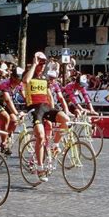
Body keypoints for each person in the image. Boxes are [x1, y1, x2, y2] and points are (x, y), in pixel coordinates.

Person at [22, 52, 70, 182]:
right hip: (34, 108)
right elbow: (26, 81)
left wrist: (55, 112)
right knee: (41, 137)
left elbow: (49, 96)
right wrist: (34, 65)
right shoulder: (29, 74)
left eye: (44, 63)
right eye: (41, 63)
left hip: (46, 107)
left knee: (65, 120)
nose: (43, 66)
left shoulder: (44, 78)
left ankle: (55, 145)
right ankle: (40, 167)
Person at [0, 66, 25, 155]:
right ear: (14, 77)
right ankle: (3, 144)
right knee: (6, 117)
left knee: (15, 121)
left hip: (3, 103)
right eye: (20, 78)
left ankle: (7, 136)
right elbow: (8, 100)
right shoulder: (5, 83)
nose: (21, 81)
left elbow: (25, 97)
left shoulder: (20, 85)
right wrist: (16, 113)